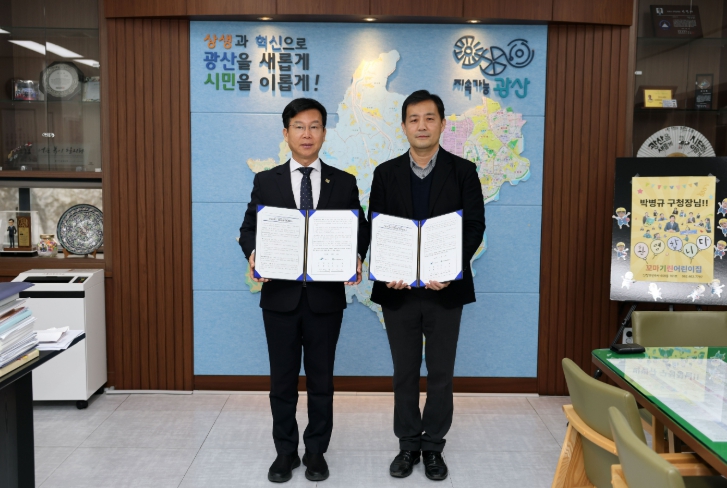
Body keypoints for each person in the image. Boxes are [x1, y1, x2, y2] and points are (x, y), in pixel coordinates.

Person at [239, 98, 370, 483]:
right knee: (281, 382)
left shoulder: (343, 182)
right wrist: (254, 253)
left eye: (314, 126)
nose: (307, 134)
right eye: (299, 126)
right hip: (279, 298)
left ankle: (315, 452)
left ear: (324, 133)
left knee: (321, 382)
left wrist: (355, 256)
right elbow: (249, 229)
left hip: (325, 299)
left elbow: (359, 230)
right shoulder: (267, 181)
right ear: (286, 133)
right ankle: (285, 452)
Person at [368, 90, 485, 481]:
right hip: (398, 290)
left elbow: (474, 226)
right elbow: (377, 227)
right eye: (414, 119)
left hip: (445, 289)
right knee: (403, 372)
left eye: (429, 118)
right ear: (404, 126)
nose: (422, 126)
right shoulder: (385, 173)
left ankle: (433, 446)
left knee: (440, 373)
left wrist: (450, 267)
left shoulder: (463, 171)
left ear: (442, 124)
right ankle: (407, 444)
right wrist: (386, 267)